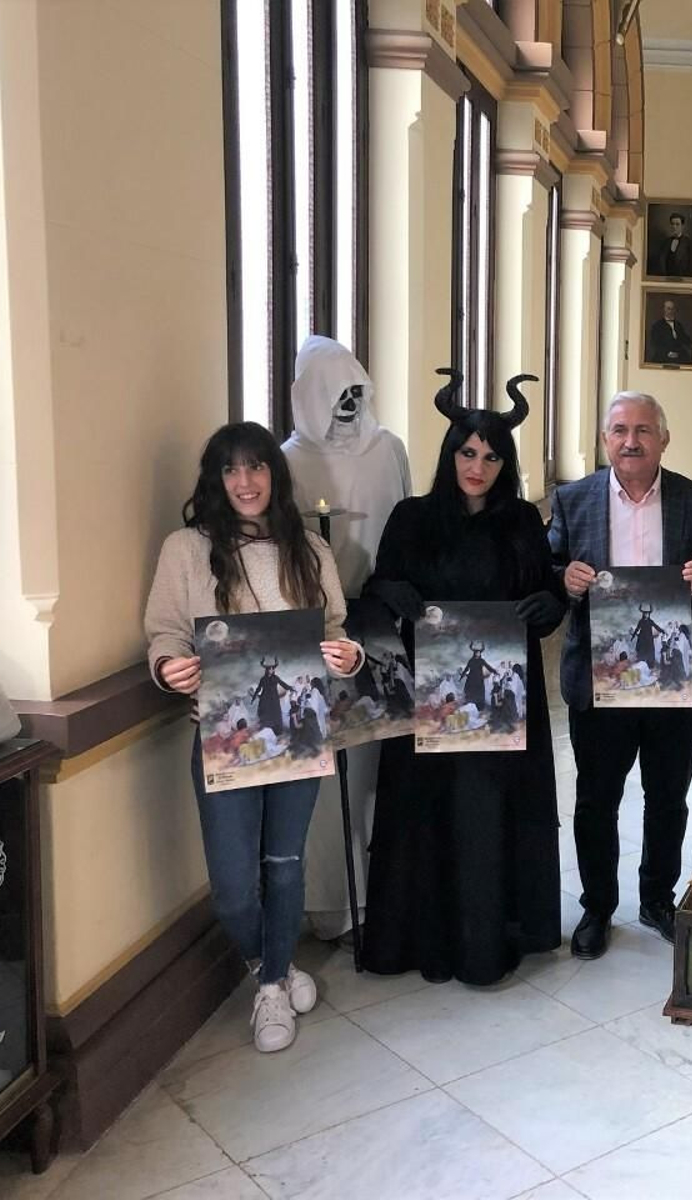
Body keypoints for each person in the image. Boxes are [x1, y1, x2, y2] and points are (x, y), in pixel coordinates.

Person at [145, 423, 363, 1053]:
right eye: (231, 470)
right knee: (235, 886)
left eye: (257, 467)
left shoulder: (310, 552)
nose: (245, 483)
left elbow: (337, 630)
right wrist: (169, 668)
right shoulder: (185, 550)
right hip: (223, 736)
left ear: (275, 474)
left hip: (298, 732)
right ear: (215, 480)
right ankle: (272, 963)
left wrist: (344, 657)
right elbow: (164, 632)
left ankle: (270, 987)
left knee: (285, 864)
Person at [358, 377, 567, 985]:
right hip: (428, 695)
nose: (478, 466)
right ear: (451, 454)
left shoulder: (523, 521)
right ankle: (424, 938)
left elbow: (547, 588)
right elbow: (381, 587)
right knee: (429, 812)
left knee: (487, 813)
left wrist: (548, 605)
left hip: (501, 700)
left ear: (507, 463)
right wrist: (390, 591)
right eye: (468, 453)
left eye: (492, 456)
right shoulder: (412, 517)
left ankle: (488, 939)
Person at [549, 391, 692, 958]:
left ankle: (657, 898)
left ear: (662, 438)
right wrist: (565, 580)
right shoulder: (572, 500)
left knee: (667, 799)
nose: (629, 441)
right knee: (595, 800)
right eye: (618, 430)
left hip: (674, 678)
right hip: (599, 681)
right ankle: (597, 906)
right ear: (604, 438)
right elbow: (545, 567)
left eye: (641, 430)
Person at [282, 334, 412, 940]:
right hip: (309, 632)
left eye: (355, 391)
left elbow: (406, 524)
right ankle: (326, 904)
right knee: (320, 773)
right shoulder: (285, 462)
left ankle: (378, 894)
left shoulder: (389, 450)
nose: (347, 405)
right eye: (335, 394)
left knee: (374, 765)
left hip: (379, 623)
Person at [646, 299, 692, 365]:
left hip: (678, 353)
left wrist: (691, 343)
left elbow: (683, 337)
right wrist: (667, 353)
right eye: (668, 309)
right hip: (663, 355)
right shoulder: (657, 325)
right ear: (664, 310)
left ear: (675, 310)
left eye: (672, 309)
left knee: (690, 364)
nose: (671, 311)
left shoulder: (678, 324)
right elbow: (655, 343)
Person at [654, 211, 692, 278]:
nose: (674, 227)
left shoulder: (688, 243)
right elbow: (662, 261)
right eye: (672, 224)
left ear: (682, 226)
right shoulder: (666, 242)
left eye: (677, 224)